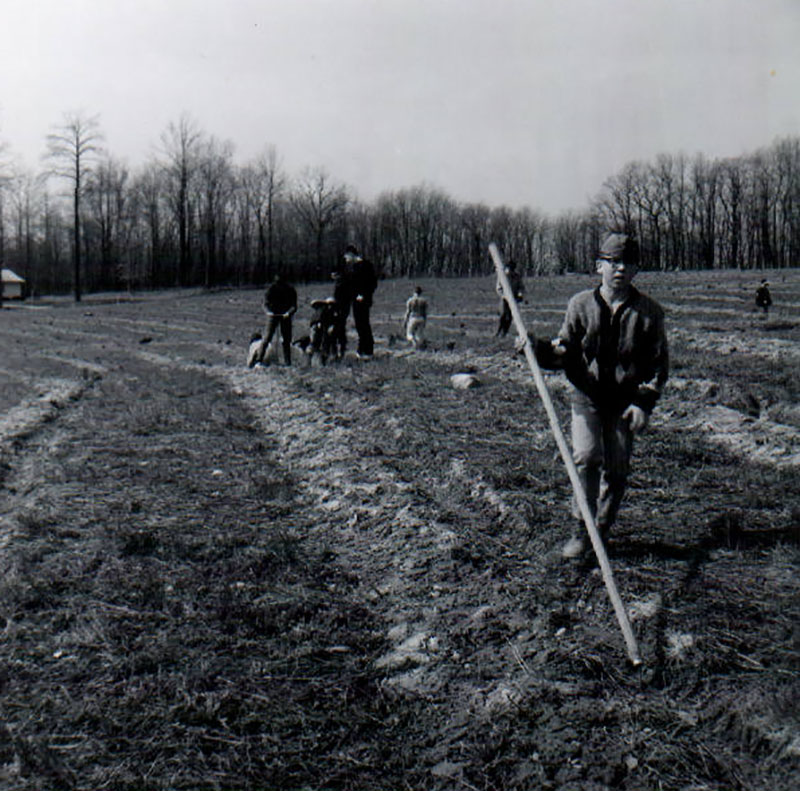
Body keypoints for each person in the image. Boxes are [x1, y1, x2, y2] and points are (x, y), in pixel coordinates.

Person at [530, 232, 669, 559]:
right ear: (598, 267)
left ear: (636, 269)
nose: (619, 269)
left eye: (627, 263)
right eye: (612, 262)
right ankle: (582, 529)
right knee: (586, 457)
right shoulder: (580, 305)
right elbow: (564, 349)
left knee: (617, 470)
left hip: (624, 400)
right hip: (587, 396)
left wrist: (642, 403)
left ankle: (601, 530)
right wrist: (537, 349)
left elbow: (657, 366)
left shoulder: (649, 313)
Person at [254, 271, 297, 366]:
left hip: (285, 316)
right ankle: (258, 360)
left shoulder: (290, 289)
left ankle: (288, 362)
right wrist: (269, 312)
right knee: (267, 338)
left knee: (286, 340)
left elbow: (294, 306)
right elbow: (265, 303)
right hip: (273, 315)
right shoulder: (271, 289)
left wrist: (288, 313)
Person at [344, 244, 378, 358]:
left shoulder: (366, 265)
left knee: (364, 324)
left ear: (351, 254)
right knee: (359, 325)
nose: (346, 260)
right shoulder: (354, 267)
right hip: (355, 300)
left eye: (347, 257)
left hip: (363, 300)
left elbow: (372, 283)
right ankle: (361, 349)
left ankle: (368, 350)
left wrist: (363, 295)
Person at [496, 259, 525, 336]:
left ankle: (505, 332)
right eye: (510, 268)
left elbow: (521, 287)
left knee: (511, 316)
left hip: (514, 299)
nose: (511, 270)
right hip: (504, 299)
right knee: (503, 315)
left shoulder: (517, 277)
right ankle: (499, 331)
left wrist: (520, 295)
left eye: (513, 268)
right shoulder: (503, 276)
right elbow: (499, 288)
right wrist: (504, 295)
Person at [331, 265, 352, 361]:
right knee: (340, 330)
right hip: (342, 310)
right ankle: (340, 351)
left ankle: (338, 352)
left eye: (334, 275)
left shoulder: (341, 284)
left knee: (336, 332)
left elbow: (341, 299)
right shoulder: (341, 283)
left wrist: (336, 309)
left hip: (340, 310)